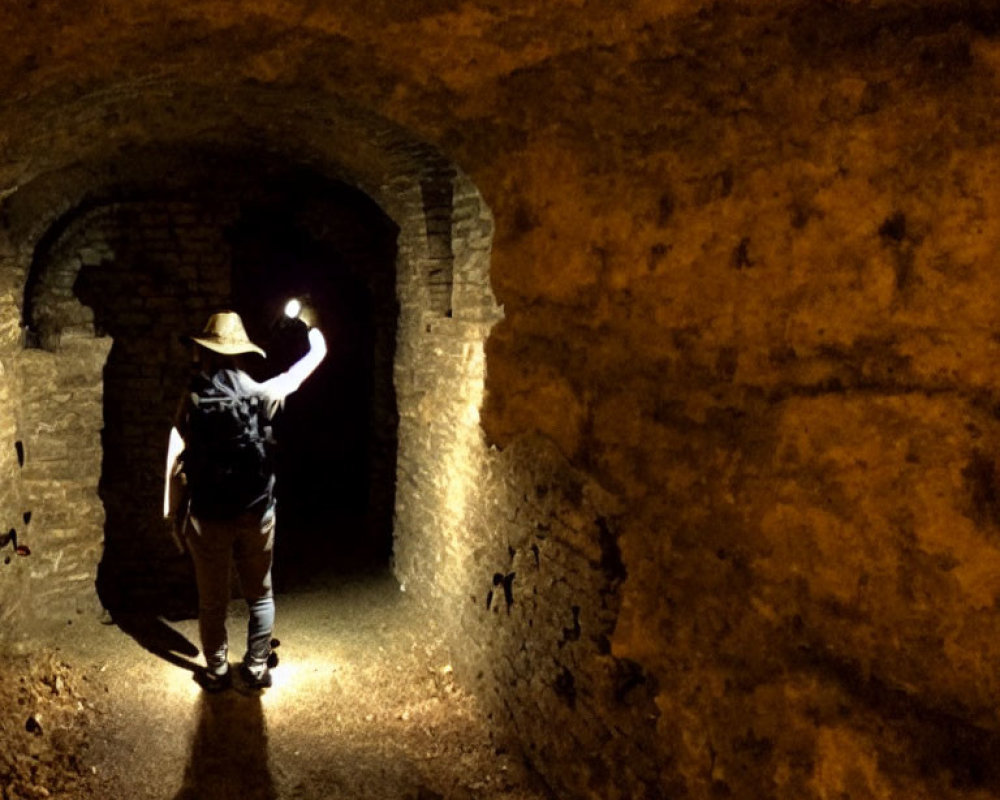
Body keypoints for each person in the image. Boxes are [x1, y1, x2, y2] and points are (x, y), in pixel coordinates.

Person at [164, 308, 327, 691]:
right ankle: (255, 668)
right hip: (256, 511)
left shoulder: (192, 398)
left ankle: (217, 670)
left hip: (206, 515)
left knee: (212, 600)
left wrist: (172, 514)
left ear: (204, 350)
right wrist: (312, 324)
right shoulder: (262, 392)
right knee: (260, 594)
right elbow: (309, 364)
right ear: (240, 351)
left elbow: (174, 457)